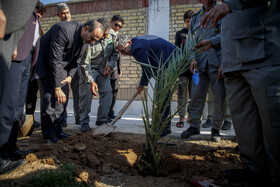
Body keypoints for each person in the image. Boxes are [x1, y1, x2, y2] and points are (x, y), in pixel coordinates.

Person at [200, 0, 280, 184]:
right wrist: (226, 57)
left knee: (272, 118)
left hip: (264, 49)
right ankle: (255, 170)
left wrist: (232, 4)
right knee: (244, 120)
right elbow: (231, 25)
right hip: (233, 60)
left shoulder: (228, 3)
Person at [35, 19, 104, 143]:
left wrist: (70, 76)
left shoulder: (85, 40)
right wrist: (57, 87)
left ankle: (58, 130)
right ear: (86, 28)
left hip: (62, 68)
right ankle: (49, 135)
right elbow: (54, 59)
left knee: (63, 99)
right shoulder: (63, 29)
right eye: (92, 38)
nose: (92, 42)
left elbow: (77, 61)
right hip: (45, 64)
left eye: (96, 40)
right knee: (50, 100)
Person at [0, 0, 38, 174]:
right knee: (6, 106)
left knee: (16, 108)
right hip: (13, 55)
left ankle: (10, 148)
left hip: (26, 60)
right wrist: (11, 45)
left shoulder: (34, 13)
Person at [180, 0, 226, 142]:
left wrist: (224, 62)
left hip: (217, 62)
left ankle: (216, 129)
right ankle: (194, 126)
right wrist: (192, 59)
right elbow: (190, 41)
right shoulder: (195, 17)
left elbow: (227, 36)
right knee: (196, 95)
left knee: (219, 97)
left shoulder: (223, 12)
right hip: (199, 63)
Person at [116, 34, 177, 137]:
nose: (124, 54)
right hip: (166, 63)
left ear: (129, 43)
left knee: (162, 95)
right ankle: (160, 125)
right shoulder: (136, 42)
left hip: (171, 61)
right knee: (160, 94)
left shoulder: (137, 48)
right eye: (121, 53)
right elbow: (149, 68)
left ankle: (164, 128)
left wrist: (141, 85)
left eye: (123, 51)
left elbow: (147, 69)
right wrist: (143, 83)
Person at [79, 18, 118, 132]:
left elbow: (115, 53)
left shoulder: (111, 35)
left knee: (107, 92)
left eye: (107, 35)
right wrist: (91, 81)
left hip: (102, 70)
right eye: (103, 35)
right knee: (87, 94)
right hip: (88, 69)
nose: (105, 37)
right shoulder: (90, 39)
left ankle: (102, 119)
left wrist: (110, 65)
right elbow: (84, 64)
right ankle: (84, 122)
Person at [25, 1, 46, 129]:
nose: (38, 16)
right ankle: (18, 120)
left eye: (40, 14)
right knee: (22, 93)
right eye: (37, 13)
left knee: (32, 92)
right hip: (23, 62)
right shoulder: (25, 25)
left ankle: (29, 119)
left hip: (35, 65)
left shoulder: (39, 28)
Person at [174, 10, 194, 128]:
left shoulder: (197, 33)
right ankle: (181, 118)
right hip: (182, 70)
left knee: (193, 95)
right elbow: (176, 50)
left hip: (195, 70)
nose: (189, 23)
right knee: (182, 95)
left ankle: (190, 116)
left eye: (191, 21)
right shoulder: (180, 34)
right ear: (184, 21)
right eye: (187, 21)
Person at [107, 15, 124, 121]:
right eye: (116, 24)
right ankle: (105, 114)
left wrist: (120, 68)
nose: (117, 27)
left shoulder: (118, 37)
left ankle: (110, 112)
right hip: (106, 68)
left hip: (115, 70)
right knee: (107, 92)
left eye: (120, 26)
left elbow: (119, 55)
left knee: (114, 92)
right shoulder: (106, 35)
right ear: (111, 22)